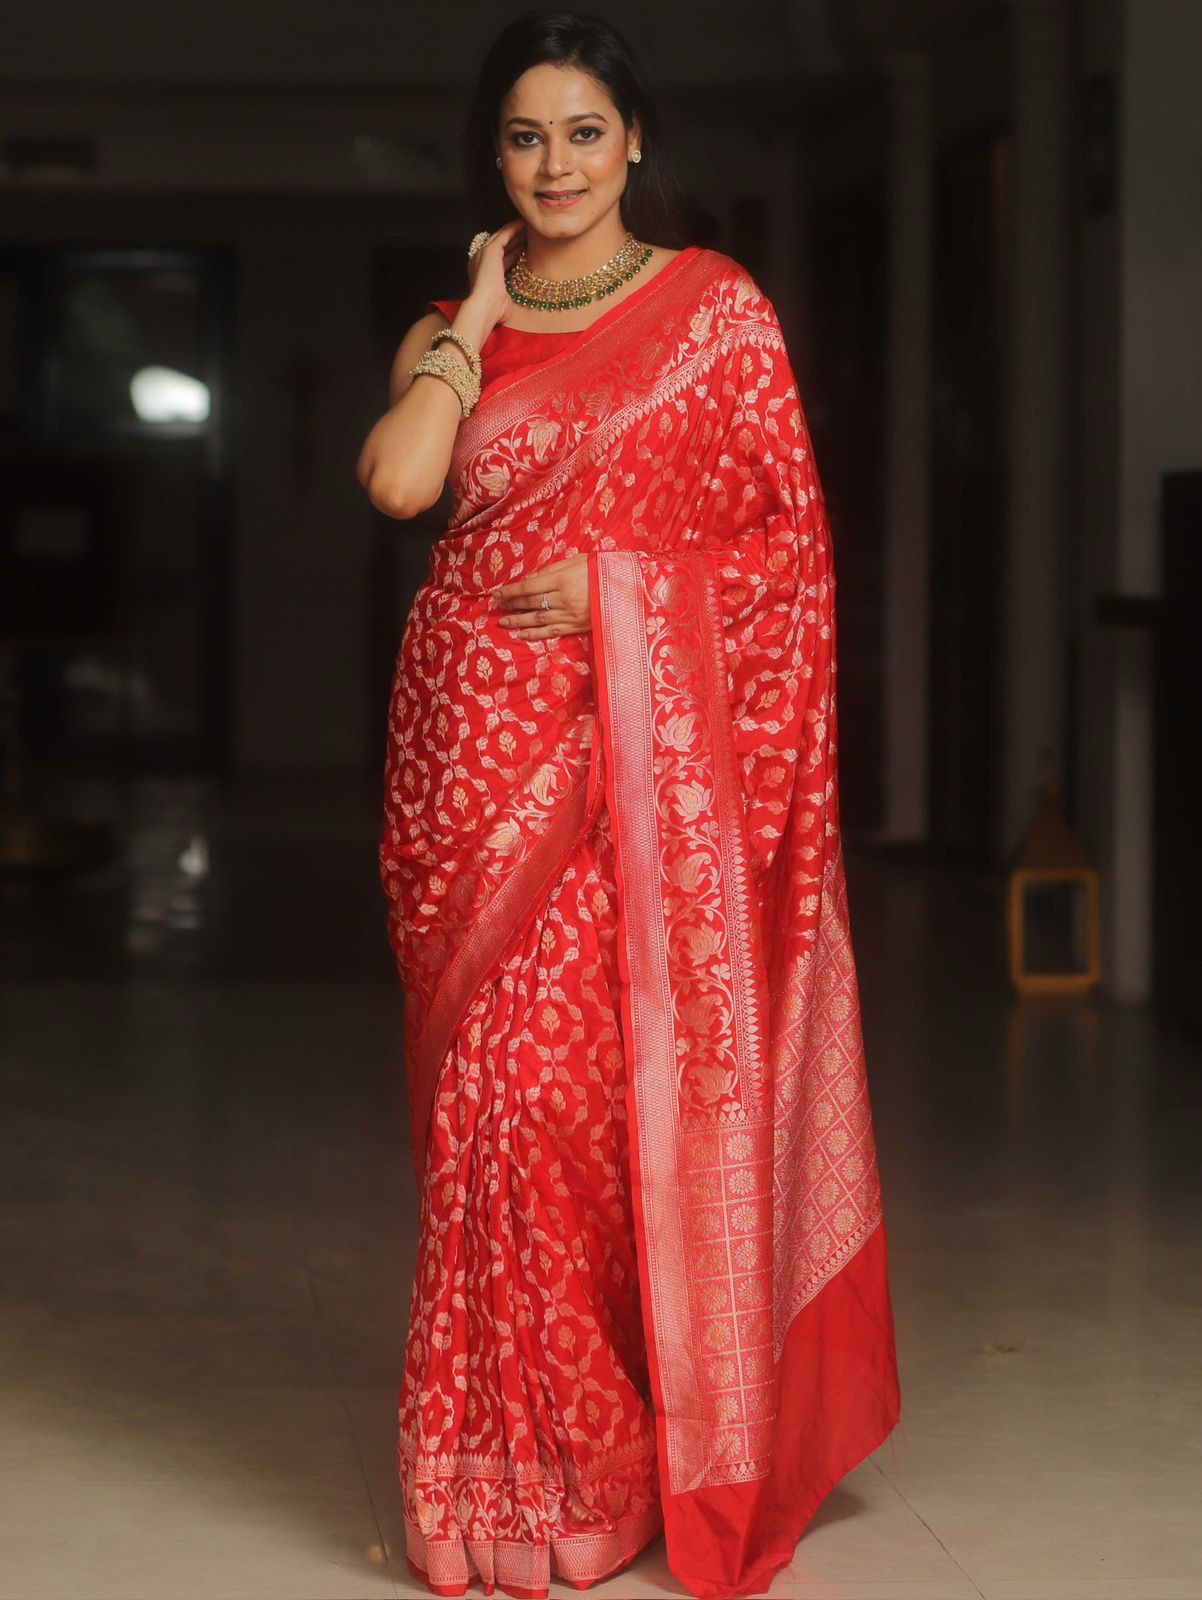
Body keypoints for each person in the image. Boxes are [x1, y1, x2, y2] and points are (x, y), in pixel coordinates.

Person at [356, 11, 901, 1599]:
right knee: (485, 1128)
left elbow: (785, 566)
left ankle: (611, 1449)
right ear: (494, 157)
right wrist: (469, 313)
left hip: (629, 785)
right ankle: (501, 1467)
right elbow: (400, 486)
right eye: (524, 138)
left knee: (585, 1114)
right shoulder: (448, 328)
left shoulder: (716, 318)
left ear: (637, 141)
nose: (554, 166)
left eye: (583, 132)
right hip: (466, 766)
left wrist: (614, 593)